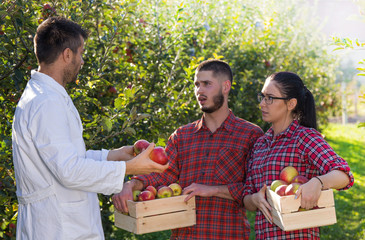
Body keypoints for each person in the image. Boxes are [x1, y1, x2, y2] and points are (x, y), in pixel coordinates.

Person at [12, 17, 168, 240]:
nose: (82, 61)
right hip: (58, 227)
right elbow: (68, 171)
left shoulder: (46, 96)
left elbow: (67, 158)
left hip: (60, 221)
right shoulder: (46, 103)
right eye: (80, 53)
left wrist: (114, 156)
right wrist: (128, 168)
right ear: (67, 55)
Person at [112, 59, 264, 239]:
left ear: (226, 87)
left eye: (207, 84)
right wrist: (132, 184)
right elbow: (163, 174)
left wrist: (213, 189)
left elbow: (254, 190)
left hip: (228, 234)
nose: (199, 90)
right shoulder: (182, 136)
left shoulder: (250, 135)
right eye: (197, 85)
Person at [242, 72, 354, 239]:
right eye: (262, 97)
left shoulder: (304, 138)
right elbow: (247, 197)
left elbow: (344, 175)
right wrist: (255, 199)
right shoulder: (260, 144)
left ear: (291, 103)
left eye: (270, 98)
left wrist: (318, 182)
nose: (262, 104)